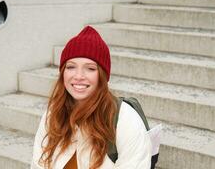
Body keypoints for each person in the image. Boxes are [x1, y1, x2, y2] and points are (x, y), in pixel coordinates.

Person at [31, 26, 152, 169]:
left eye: (90, 68)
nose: (78, 76)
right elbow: (38, 164)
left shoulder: (125, 119)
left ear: (102, 76)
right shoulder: (52, 114)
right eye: (71, 67)